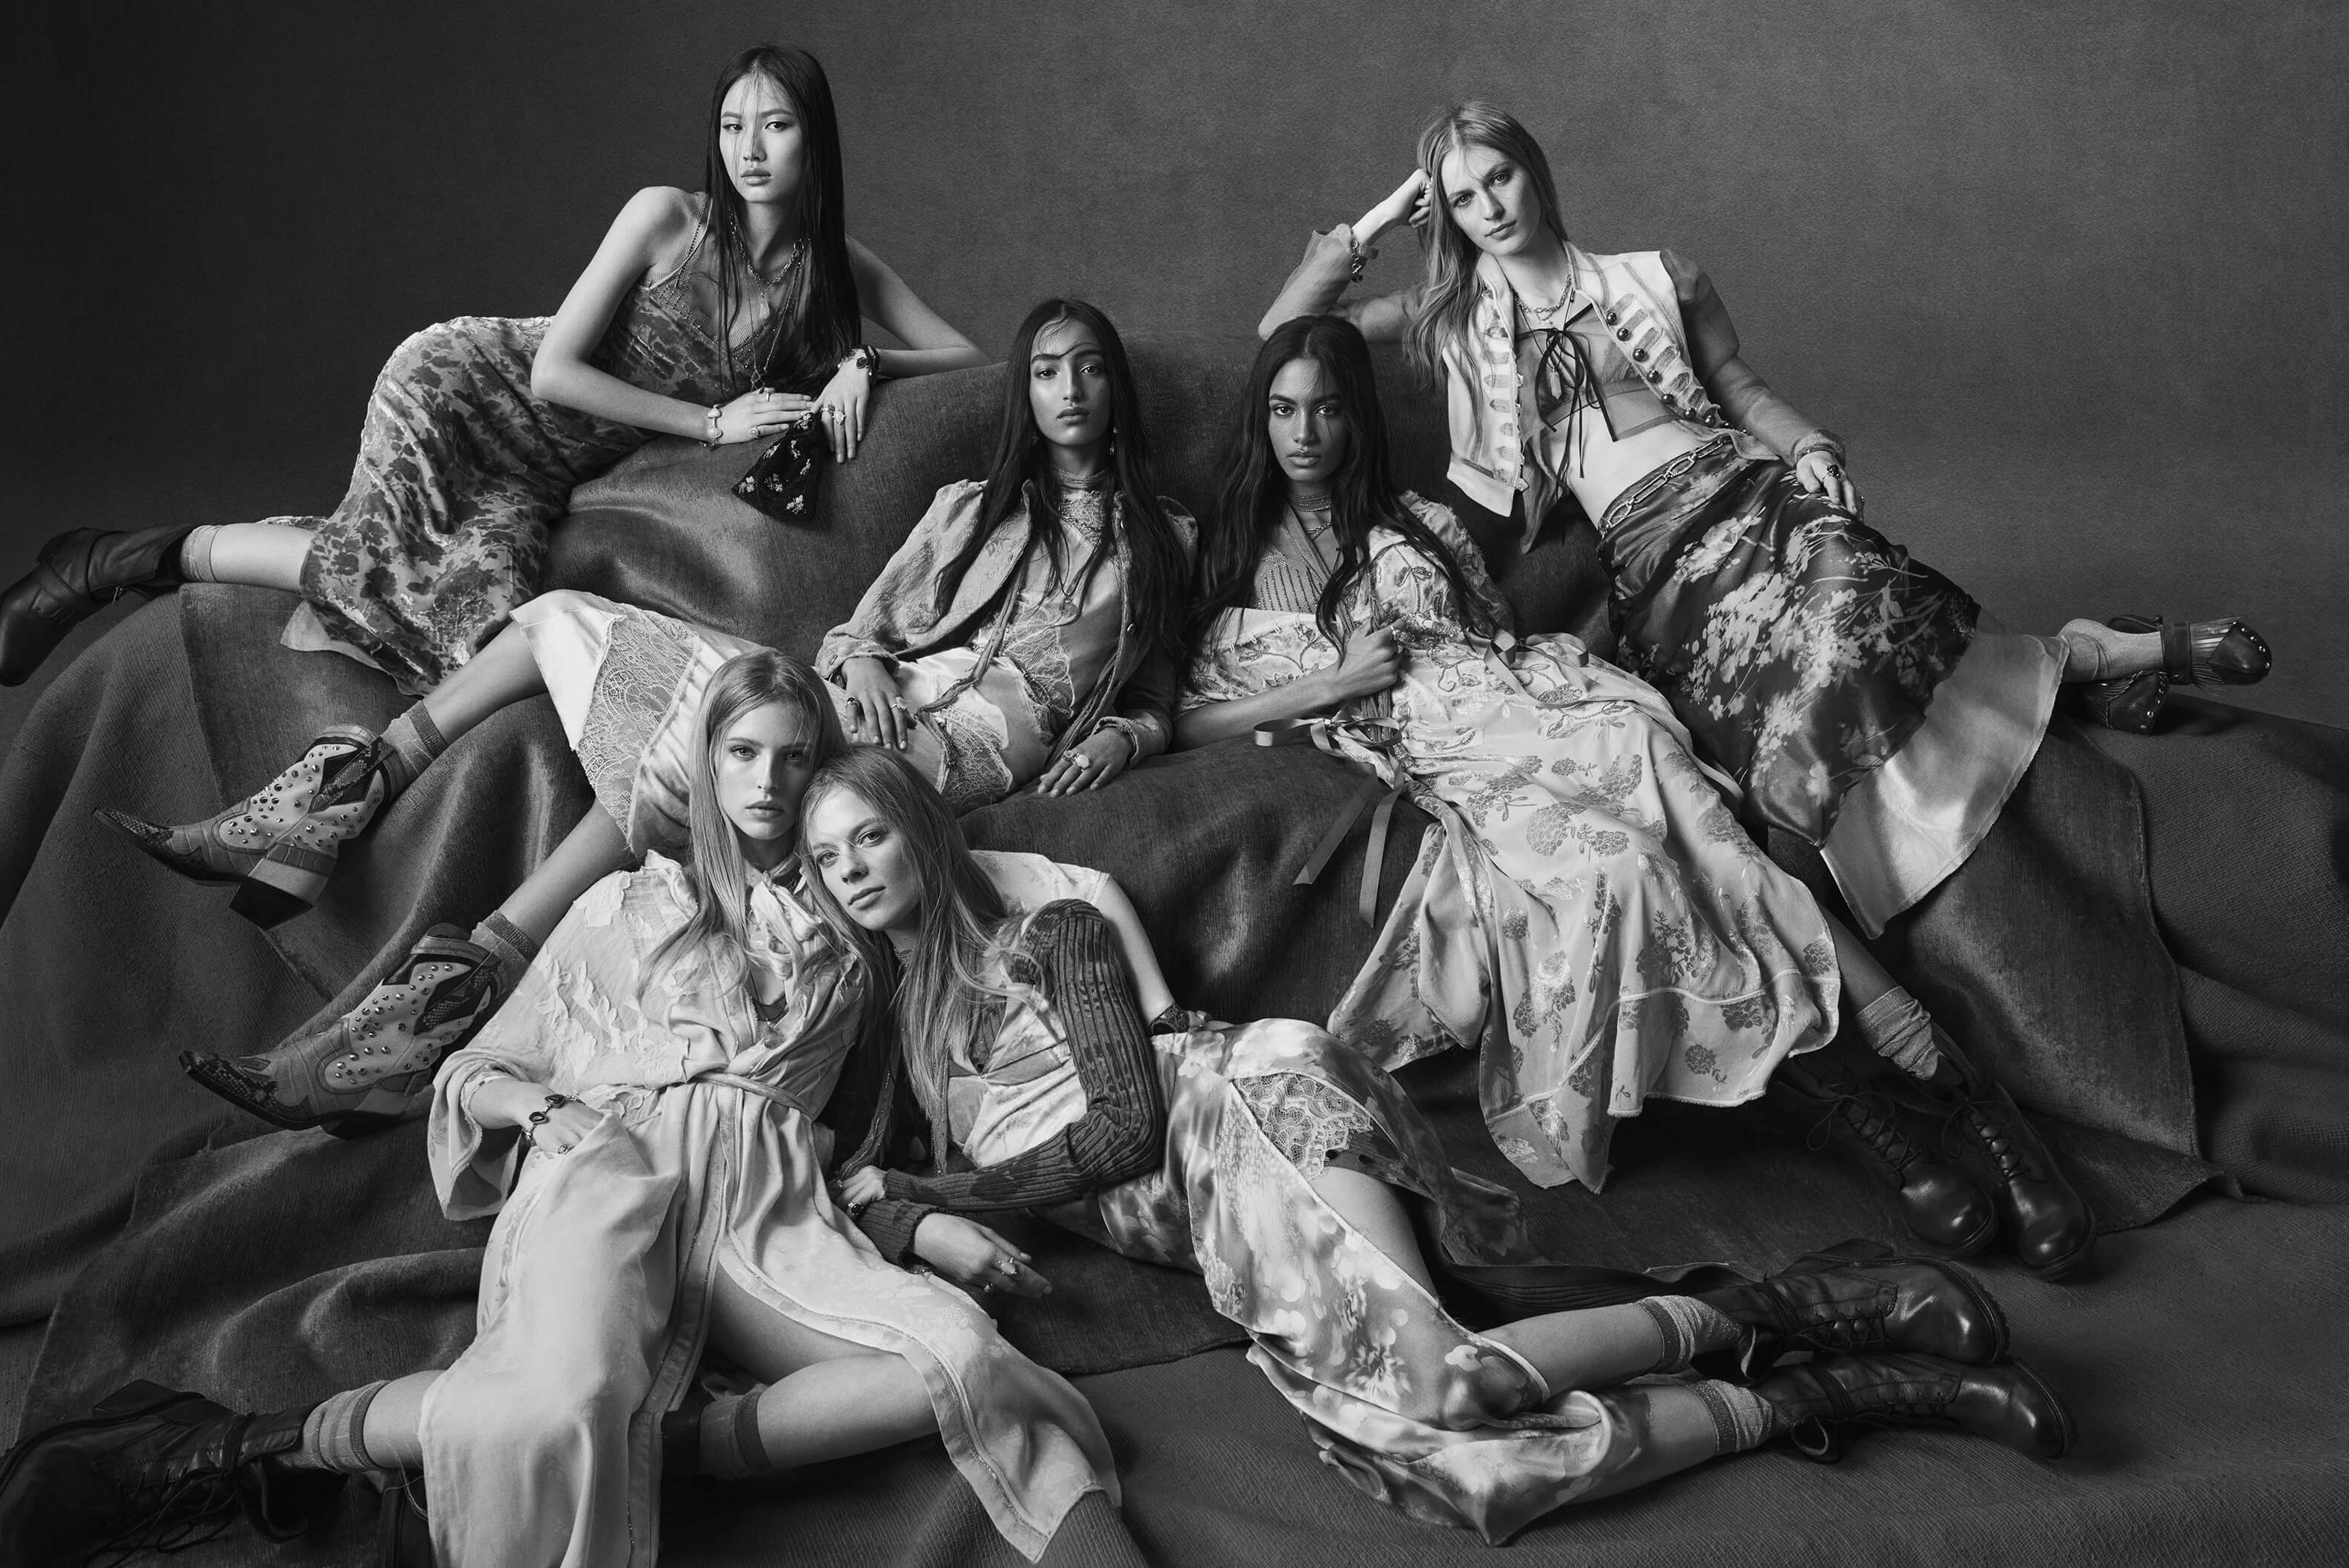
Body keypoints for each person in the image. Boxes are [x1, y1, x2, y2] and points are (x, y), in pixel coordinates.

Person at [0, 651, 1115, 1568]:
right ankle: (216, 1450)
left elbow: (966, 978)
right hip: (612, 1162)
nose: (768, 783)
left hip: (770, 1204)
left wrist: (924, 1216)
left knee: (960, 1359)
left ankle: (649, 1451)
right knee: (554, 1410)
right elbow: (478, 1067)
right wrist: (542, 1114)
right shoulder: (630, 903)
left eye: (794, 758)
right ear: (708, 764)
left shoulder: (858, 926)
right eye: (743, 753)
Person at [801, 744, 2071, 1546]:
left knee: (1444, 1385)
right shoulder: (904, 1029)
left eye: (871, 834)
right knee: (1447, 1465)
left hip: (1242, 1113)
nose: (853, 869)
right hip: (1217, 1232)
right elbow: (853, 1180)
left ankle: (1817, 1324)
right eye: (825, 857)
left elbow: (1127, 1124)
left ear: (921, 828)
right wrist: (915, 1207)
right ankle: (1803, 1381)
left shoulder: (1047, 932)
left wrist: (945, 1191)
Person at [1179, 316, 2091, 1276]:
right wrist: (1331, 684)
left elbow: (1489, 631)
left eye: (1326, 407)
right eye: (1283, 409)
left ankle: (1967, 1113)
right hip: (1457, 758)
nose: (1305, 431)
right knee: (1631, 870)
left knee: (1719, 849)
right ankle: (1892, 1129)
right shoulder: (1231, 557)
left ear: (1354, 418)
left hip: (1550, 704)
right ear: (1259, 420)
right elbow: (1191, 719)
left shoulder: (1417, 522)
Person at [158, 298, 1195, 1136]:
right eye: (1046, 370)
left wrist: (1127, 734)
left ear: (1116, 390)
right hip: (846, 705)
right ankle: (369, 814)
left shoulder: (1167, 542)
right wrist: (865, 658)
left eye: (1089, 369)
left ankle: (419, 969)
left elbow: (1160, 692)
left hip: (937, 762)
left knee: (665, 767)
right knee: (559, 616)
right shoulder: (969, 507)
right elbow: (858, 628)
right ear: (1025, 390)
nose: (1069, 389)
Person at [1261, 101, 2272, 948]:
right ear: (1445, 212)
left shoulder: (1654, 277)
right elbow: (1286, 336)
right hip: (1658, 557)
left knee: (1865, 599)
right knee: (1795, 709)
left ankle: (2106, 654)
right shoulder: (1447, 317)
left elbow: (1737, 387)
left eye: (1501, 178)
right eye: (1463, 196)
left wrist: (1811, 448)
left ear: (1535, 172)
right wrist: (1381, 217)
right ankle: (2093, 661)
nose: (1489, 208)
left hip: (1742, 489)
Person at [0, 43, 983, 699]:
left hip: (552, 472)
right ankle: (109, 561)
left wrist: (858, 360)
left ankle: (112, 557)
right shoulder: (666, 217)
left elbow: (970, 358)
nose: (749, 150)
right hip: (468, 388)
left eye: (775, 125)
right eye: (732, 126)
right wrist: (712, 424)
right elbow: (552, 373)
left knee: (475, 611)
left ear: (815, 137)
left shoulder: (833, 272)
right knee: (386, 569)